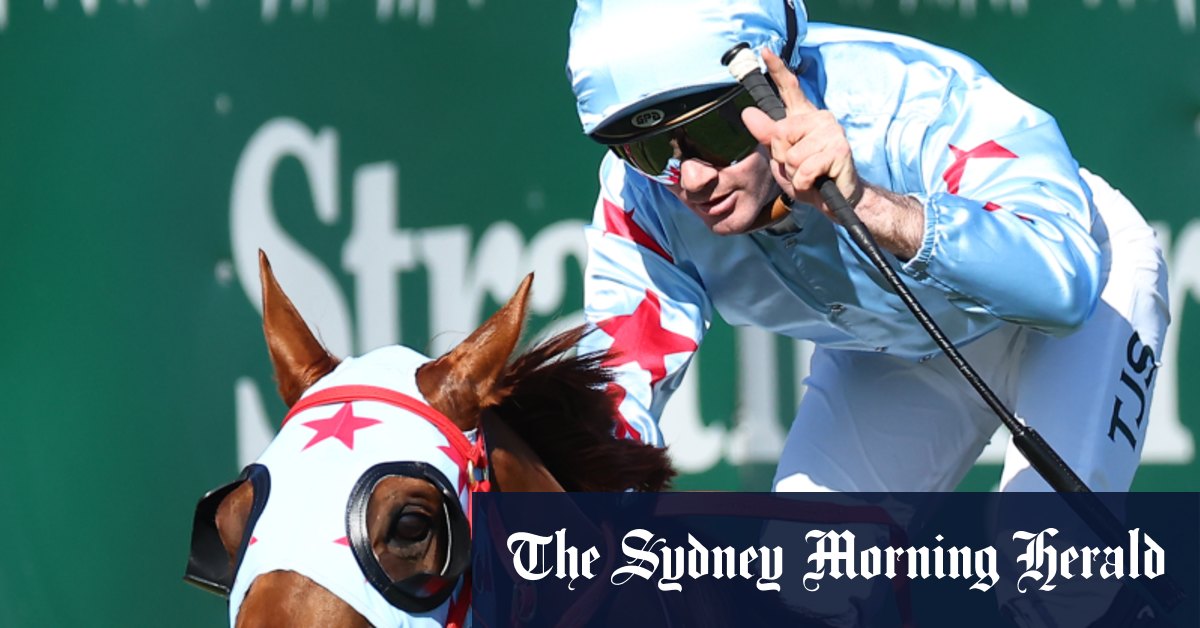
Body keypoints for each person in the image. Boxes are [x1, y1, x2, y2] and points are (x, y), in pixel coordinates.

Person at [565, 0, 1169, 495]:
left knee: (1046, 575)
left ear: (777, 84)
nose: (691, 179)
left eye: (713, 133)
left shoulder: (908, 100)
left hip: (1077, 288)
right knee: (804, 587)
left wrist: (870, 204)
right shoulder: (643, 195)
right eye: (651, 149)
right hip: (903, 349)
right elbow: (615, 395)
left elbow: (1060, 288)